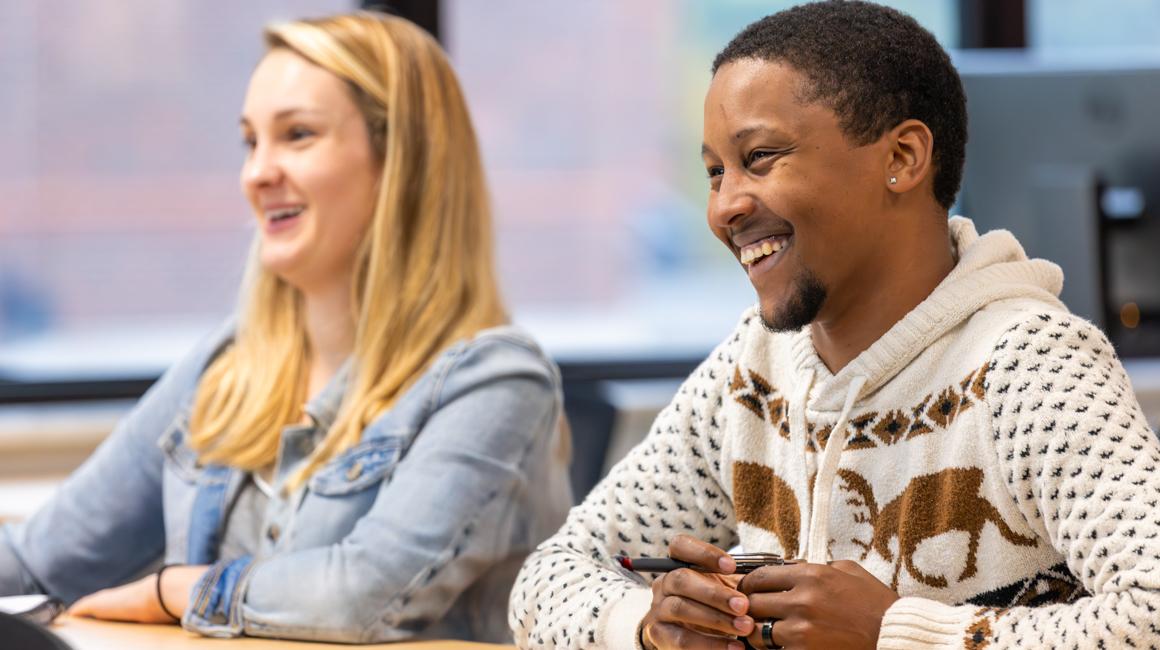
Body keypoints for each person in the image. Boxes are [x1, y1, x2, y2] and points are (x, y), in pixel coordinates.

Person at [510, 2, 1160, 649]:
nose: (724, 206)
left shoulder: (1031, 367)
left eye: (759, 156)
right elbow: (547, 581)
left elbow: (1152, 616)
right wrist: (654, 626)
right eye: (714, 172)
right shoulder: (751, 372)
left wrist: (896, 634)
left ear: (902, 157)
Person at [0, 12, 572, 644]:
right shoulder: (227, 366)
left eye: (297, 135)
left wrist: (179, 589)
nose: (257, 174)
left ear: (401, 162)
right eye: (251, 142)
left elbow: (363, 594)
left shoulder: (497, 381)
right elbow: (36, 561)